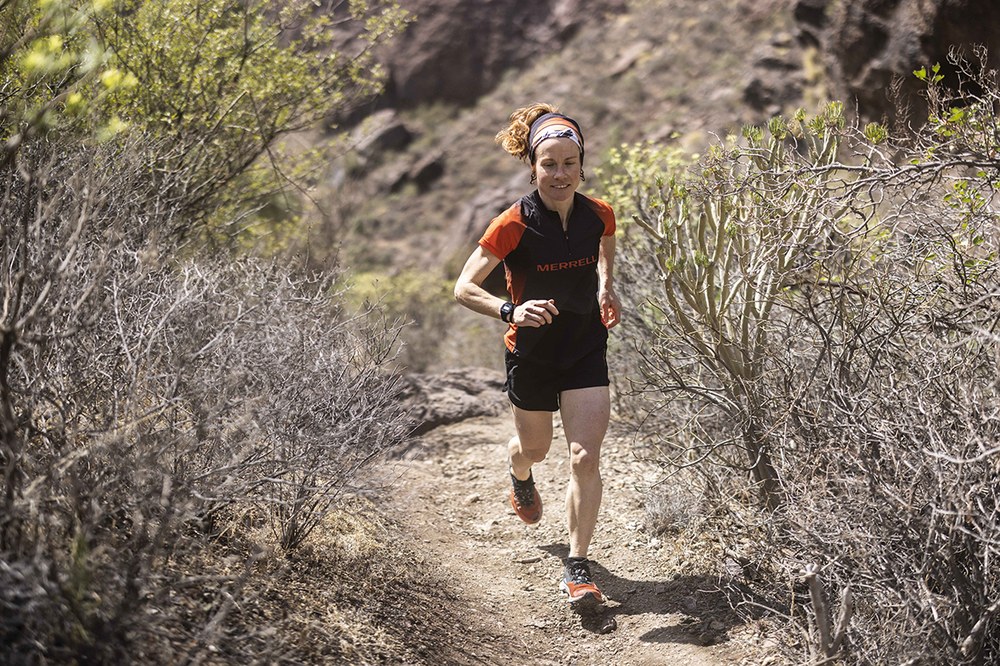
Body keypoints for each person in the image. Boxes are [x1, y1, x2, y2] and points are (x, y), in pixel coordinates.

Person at [453, 102, 621, 608]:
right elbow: (463, 287)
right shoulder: (513, 224)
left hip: (586, 347)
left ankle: (578, 566)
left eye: (569, 163)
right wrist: (511, 310)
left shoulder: (599, 214)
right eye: (549, 164)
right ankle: (518, 468)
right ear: (533, 167)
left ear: (581, 164)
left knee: (584, 456)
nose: (560, 174)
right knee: (536, 450)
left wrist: (607, 289)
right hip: (531, 352)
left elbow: (605, 252)